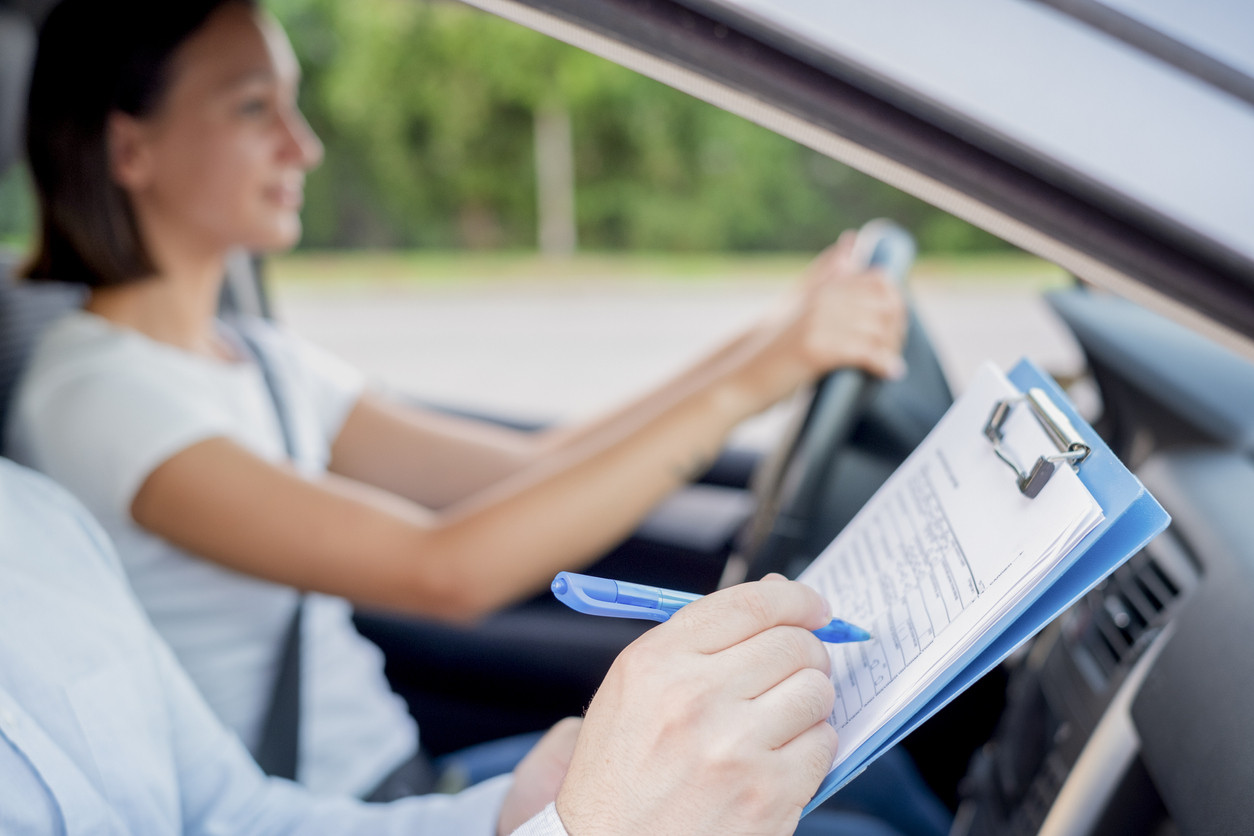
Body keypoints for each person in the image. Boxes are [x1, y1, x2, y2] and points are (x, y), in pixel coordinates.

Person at [6, 0, 910, 807]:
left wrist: (771, 344)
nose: (303, 145)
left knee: (853, 783)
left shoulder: (260, 359)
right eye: (254, 108)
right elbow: (446, 571)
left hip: (408, 784)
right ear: (131, 149)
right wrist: (759, 375)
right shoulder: (94, 396)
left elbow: (531, 468)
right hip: (336, 807)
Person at [0, 454, 871, 836]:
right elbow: (441, 567)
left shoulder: (32, 518)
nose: (300, 147)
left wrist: (500, 817)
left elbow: (236, 821)